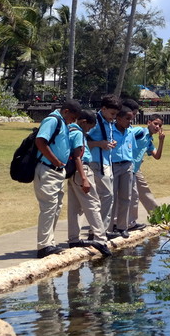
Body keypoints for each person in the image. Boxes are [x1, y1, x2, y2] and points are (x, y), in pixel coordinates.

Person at [33, 99, 82, 258]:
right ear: (66, 111)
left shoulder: (62, 122)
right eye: (73, 118)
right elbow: (40, 141)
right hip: (48, 169)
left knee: (55, 208)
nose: (73, 122)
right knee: (48, 208)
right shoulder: (52, 120)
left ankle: (49, 242)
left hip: (57, 171)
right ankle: (43, 246)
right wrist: (54, 160)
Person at [65, 109, 111, 257]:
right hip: (82, 169)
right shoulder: (78, 133)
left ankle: (73, 238)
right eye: (89, 127)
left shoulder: (69, 130)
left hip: (73, 173)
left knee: (75, 206)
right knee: (93, 204)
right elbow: (77, 156)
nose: (89, 130)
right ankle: (101, 239)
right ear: (84, 122)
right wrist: (84, 178)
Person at [86, 94, 121, 232]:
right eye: (112, 113)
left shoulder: (108, 122)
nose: (113, 117)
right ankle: (99, 232)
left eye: (116, 114)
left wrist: (109, 143)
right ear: (104, 108)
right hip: (96, 163)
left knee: (106, 197)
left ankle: (100, 231)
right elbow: (81, 141)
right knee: (106, 197)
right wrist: (99, 144)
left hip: (107, 162)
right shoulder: (95, 121)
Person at [127, 113, 165, 231]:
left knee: (145, 191)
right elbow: (126, 138)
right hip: (127, 166)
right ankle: (130, 223)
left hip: (136, 169)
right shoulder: (140, 131)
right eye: (155, 124)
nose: (157, 127)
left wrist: (161, 141)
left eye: (159, 125)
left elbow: (157, 156)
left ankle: (158, 216)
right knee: (133, 195)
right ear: (149, 123)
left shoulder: (149, 140)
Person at [109, 106, 138, 238]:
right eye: (127, 119)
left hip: (127, 165)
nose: (129, 122)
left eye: (131, 119)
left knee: (126, 197)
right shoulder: (110, 131)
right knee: (111, 198)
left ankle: (122, 226)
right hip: (113, 165)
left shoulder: (130, 132)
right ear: (118, 118)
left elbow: (132, 149)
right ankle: (109, 228)